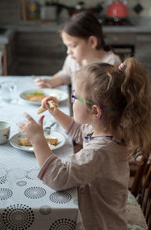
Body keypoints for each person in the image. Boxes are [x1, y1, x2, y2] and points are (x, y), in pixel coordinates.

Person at [18, 57, 151, 230]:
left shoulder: (100, 152)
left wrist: (37, 140)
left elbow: (58, 178)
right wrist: (55, 112)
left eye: (75, 96)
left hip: (100, 224)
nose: (72, 100)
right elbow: (79, 131)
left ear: (95, 111)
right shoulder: (109, 128)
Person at [35, 11, 121, 89]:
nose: (68, 51)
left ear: (92, 42)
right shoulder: (73, 59)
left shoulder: (111, 63)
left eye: (72, 46)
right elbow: (66, 74)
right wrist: (51, 81)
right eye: (67, 46)